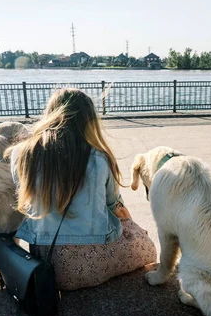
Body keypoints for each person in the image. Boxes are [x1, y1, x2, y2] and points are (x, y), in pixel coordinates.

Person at [9, 88, 156, 291]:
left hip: (45, 267)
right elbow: (115, 207)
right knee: (148, 248)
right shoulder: (99, 158)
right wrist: (135, 230)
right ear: (88, 120)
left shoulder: (21, 154)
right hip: (90, 266)